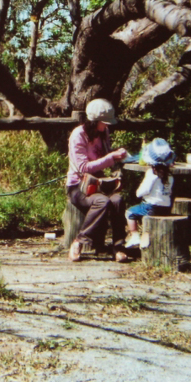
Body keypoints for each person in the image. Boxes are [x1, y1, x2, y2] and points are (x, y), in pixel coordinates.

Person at [66, 98, 130, 263]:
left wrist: (117, 162)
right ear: (94, 121)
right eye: (104, 122)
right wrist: (110, 158)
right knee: (102, 202)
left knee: (117, 200)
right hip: (78, 186)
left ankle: (118, 245)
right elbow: (83, 167)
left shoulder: (104, 133)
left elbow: (105, 157)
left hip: (99, 183)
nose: (107, 126)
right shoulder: (78, 135)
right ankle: (79, 241)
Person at [124, 138, 175, 248]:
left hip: (151, 207)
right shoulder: (170, 176)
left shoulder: (152, 174)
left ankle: (134, 236)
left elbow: (144, 190)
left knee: (130, 212)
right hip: (166, 208)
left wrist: (138, 193)